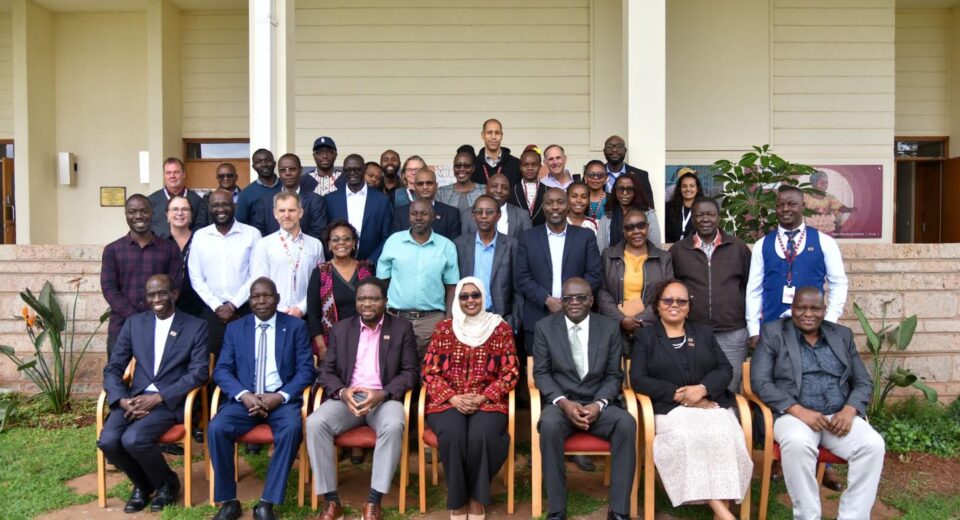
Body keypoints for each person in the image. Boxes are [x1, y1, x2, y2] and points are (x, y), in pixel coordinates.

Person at [751, 287, 885, 520]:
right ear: (792, 309)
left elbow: (863, 381)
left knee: (872, 445)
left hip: (838, 418)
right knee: (797, 443)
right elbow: (760, 382)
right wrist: (798, 411)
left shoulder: (841, 335)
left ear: (824, 311)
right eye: (801, 307)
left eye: (815, 308)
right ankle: (807, 516)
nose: (807, 313)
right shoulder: (774, 333)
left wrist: (849, 409)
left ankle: (852, 516)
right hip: (793, 416)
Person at [630, 279, 752, 520]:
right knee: (689, 436)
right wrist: (681, 395)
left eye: (681, 301)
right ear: (658, 304)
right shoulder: (646, 336)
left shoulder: (703, 332)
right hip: (670, 409)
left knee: (726, 433)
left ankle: (721, 514)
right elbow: (639, 379)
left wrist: (703, 388)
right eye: (668, 300)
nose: (674, 305)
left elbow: (725, 369)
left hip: (710, 404)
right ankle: (724, 514)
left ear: (688, 306)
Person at [307, 277, 419, 520]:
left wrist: (382, 394)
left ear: (385, 302)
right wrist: (342, 392)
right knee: (315, 423)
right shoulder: (341, 329)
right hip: (347, 398)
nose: (367, 304)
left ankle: (373, 501)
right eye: (362, 299)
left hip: (384, 397)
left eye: (374, 298)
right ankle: (331, 500)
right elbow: (326, 370)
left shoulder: (401, 328)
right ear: (356, 302)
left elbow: (411, 372)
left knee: (393, 425)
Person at [98, 274, 208, 513]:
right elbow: (114, 367)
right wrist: (121, 399)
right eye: (151, 294)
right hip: (134, 399)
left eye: (161, 293)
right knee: (107, 441)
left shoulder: (195, 326)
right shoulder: (135, 324)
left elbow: (199, 373)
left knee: (134, 439)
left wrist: (159, 397)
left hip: (168, 402)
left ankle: (167, 482)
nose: (156, 298)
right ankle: (143, 484)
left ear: (174, 294)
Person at [208, 277, 316, 520]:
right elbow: (222, 370)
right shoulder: (236, 329)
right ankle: (228, 501)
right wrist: (244, 395)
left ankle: (267, 503)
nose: (261, 301)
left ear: (277, 298)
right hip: (243, 402)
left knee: (291, 429)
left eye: (267, 295)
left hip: (280, 401)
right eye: (256, 296)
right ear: (249, 300)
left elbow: (306, 370)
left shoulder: (296, 327)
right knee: (217, 428)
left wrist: (280, 396)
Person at [532, 277, 636, 520]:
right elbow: (541, 373)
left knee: (626, 423)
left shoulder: (609, 327)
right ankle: (556, 509)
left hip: (598, 403)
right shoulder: (545, 328)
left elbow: (613, 375)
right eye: (568, 298)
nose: (574, 302)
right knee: (548, 425)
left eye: (581, 297)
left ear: (591, 300)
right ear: (562, 301)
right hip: (561, 405)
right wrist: (564, 403)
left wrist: (598, 405)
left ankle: (619, 510)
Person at [422, 277, 519, 520]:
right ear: (457, 300)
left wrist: (484, 397)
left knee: (481, 436)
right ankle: (458, 498)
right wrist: (453, 398)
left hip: (488, 401)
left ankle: (477, 497)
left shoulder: (500, 328)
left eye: (475, 295)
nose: (470, 300)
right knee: (453, 434)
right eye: (464, 296)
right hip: (447, 401)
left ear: (483, 297)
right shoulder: (444, 328)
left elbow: (511, 372)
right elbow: (429, 371)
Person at [746, 185, 848, 347]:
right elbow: (754, 290)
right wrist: (754, 330)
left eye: (791, 204)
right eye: (780, 205)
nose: (785, 209)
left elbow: (839, 283)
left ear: (803, 207)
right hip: (772, 329)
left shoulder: (824, 242)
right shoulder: (762, 245)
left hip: (812, 330)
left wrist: (828, 322)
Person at [669, 198, 752, 392]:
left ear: (719, 217)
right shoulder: (679, 251)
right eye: (699, 215)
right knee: (694, 388)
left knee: (729, 389)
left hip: (731, 332)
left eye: (710, 214)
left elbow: (751, 288)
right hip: (692, 332)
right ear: (693, 219)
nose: (705, 219)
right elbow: (671, 290)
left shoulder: (738, 248)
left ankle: (732, 421)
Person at [101, 194, 182, 356]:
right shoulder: (113, 250)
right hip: (122, 328)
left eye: (144, 211)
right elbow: (109, 289)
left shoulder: (170, 249)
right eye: (132, 212)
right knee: (117, 377)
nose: (138, 216)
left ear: (152, 213)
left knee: (158, 378)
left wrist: (151, 317)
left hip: (160, 325)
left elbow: (175, 287)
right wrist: (135, 318)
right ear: (126, 215)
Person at [377, 199, 460, 353]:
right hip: (396, 319)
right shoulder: (394, 241)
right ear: (409, 216)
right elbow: (382, 282)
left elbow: (452, 286)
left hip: (431, 321)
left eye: (424, 214)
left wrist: (448, 320)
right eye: (414, 214)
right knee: (394, 368)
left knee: (429, 372)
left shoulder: (446, 246)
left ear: (434, 216)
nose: (418, 218)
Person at [188, 190, 262, 356]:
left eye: (225, 204)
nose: (220, 209)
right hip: (212, 310)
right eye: (216, 205)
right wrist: (217, 306)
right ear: (209, 208)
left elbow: (256, 274)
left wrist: (233, 305)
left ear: (234, 205)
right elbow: (196, 277)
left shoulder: (252, 234)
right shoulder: (200, 236)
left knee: (247, 356)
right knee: (212, 360)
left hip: (244, 308)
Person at [597, 209, 673, 352]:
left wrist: (639, 320)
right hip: (615, 328)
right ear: (623, 232)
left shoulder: (664, 258)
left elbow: (667, 295)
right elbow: (602, 292)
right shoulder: (609, 255)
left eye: (641, 225)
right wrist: (622, 319)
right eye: (630, 227)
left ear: (648, 227)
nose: (636, 231)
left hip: (651, 328)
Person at [306, 220, 376, 358]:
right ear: (329, 245)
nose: (341, 243)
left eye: (347, 239)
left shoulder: (366, 269)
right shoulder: (321, 272)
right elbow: (313, 314)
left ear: (354, 243)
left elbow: (376, 306)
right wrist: (322, 347)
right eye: (335, 239)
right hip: (332, 342)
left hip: (365, 340)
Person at [251, 191, 325, 320]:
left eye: (292, 210)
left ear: (300, 212)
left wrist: (302, 309)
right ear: (275, 213)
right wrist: (278, 310)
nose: (287, 215)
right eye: (282, 210)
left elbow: (320, 282)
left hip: (307, 316)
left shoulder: (315, 245)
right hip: (274, 315)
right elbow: (261, 282)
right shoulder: (264, 244)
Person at [454, 196, 522, 333]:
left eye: (489, 212)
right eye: (479, 212)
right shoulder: (460, 244)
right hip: (466, 320)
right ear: (473, 215)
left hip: (500, 320)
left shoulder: (511, 245)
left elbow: (518, 289)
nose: (484, 216)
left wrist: (514, 321)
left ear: (498, 216)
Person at [324, 154, 394, 263]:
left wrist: (371, 261)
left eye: (357, 170)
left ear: (364, 170)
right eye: (348, 170)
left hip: (371, 267)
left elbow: (387, 236)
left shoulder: (382, 200)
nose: (352, 173)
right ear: (343, 171)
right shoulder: (330, 200)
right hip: (338, 266)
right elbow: (326, 235)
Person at [251, 153, 328, 239]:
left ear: (301, 170)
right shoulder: (266, 201)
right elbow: (259, 230)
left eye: (292, 169)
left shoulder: (316, 201)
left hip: (305, 250)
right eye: (283, 170)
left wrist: (296, 246)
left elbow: (318, 231)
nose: (287, 173)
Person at [392, 168, 462, 241]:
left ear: (436, 186)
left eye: (429, 183)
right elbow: (396, 243)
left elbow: (454, 245)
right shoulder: (400, 213)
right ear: (414, 187)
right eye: (420, 184)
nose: (425, 187)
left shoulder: (451, 213)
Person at [166, 195, 205, 318]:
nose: (180, 213)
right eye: (175, 209)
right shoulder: (160, 242)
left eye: (185, 209)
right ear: (167, 214)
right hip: (169, 306)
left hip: (200, 305)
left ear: (191, 214)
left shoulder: (202, 240)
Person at [462, 172, 532, 240]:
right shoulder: (467, 214)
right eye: (494, 186)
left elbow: (528, 243)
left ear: (509, 192)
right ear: (486, 189)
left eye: (504, 188)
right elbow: (464, 244)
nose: (499, 190)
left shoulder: (522, 215)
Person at [599, 172, 661, 248]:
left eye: (630, 189)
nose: (625, 193)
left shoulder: (648, 214)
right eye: (620, 189)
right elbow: (601, 248)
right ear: (615, 191)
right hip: (611, 259)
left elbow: (655, 246)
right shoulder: (607, 216)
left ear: (636, 191)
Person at [147, 157, 203, 238]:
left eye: (176, 172)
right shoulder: (150, 201)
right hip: (160, 249)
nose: (172, 176)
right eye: (168, 173)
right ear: (164, 175)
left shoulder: (197, 201)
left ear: (184, 174)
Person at [603, 135, 655, 212]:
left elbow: (648, 205)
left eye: (619, 146)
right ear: (604, 151)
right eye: (610, 146)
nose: (614, 149)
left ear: (625, 150)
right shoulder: (594, 175)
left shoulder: (641, 175)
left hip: (631, 222)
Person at [471, 118, 521, 186]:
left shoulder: (516, 164)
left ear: (502, 135)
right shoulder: (473, 165)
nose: (493, 137)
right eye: (489, 132)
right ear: (483, 135)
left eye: (497, 133)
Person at [804, 170, 854, 236]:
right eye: (822, 183)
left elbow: (839, 207)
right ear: (813, 183)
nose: (825, 185)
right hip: (809, 224)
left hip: (825, 224)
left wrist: (852, 210)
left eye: (826, 183)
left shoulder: (830, 197)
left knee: (837, 212)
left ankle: (839, 234)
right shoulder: (805, 196)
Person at [437, 147, 486, 211]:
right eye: (457, 166)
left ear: (473, 168)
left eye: (467, 166)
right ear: (453, 168)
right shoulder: (442, 192)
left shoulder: (484, 190)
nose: (462, 169)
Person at [508, 148, 547, 226]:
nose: (530, 168)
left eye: (534, 164)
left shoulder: (549, 191)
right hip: (518, 237)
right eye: (526, 165)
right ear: (520, 167)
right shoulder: (510, 192)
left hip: (542, 237)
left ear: (540, 166)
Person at [197, 163, 241, 229]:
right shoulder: (207, 199)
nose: (226, 178)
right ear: (217, 178)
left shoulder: (245, 196)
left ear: (236, 177)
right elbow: (200, 224)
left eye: (229, 175)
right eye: (221, 176)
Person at [566, 182, 607, 252]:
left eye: (583, 197)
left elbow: (601, 251)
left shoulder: (597, 224)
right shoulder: (559, 223)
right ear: (567, 198)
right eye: (574, 196)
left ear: (588, 200)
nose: (579, 200)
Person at [664, 169, 702, 243]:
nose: (688, 189)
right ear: (679, 189)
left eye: (692, 186)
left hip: (696, 252)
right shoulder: (668, 208)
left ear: (697, 189)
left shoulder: (703, 209)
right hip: (672, 251)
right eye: (684, 186)